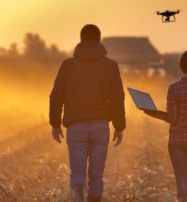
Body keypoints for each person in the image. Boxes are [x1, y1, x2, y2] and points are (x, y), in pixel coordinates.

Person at [49, 24, 125, 202]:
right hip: (100, 126)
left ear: (81, 39)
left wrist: (55, 123)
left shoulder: (67, 65)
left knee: (77, 172)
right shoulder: (110, 66)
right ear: (99, 39)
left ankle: (78, 196)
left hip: (76, 126)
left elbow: (56, 95)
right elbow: (117, 97)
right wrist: (119, 126)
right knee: (97, 174)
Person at [144, 51, 187, 202]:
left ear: (181, 67)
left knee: (181, 180)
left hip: (178, 140)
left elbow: (172, 117)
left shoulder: (174, 88)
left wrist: (154, 113)